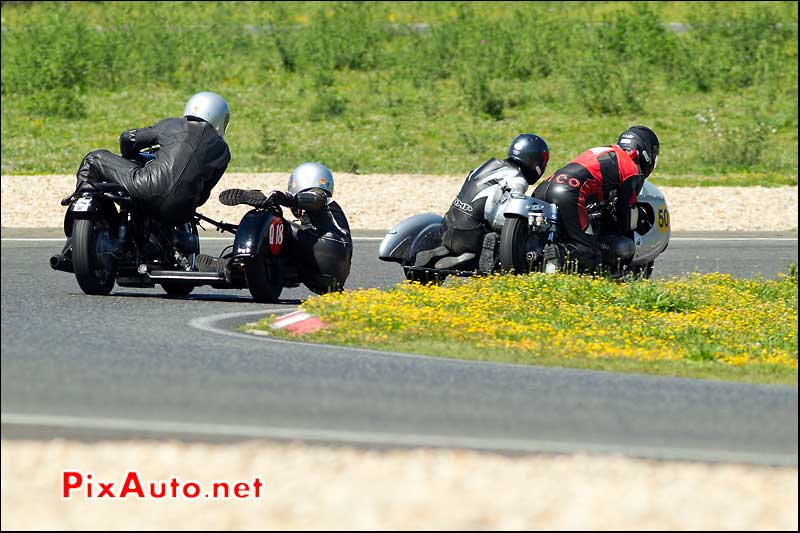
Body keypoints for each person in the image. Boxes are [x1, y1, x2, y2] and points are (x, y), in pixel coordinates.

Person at [57, 91, 232, 266]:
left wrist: (130, 154)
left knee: (93, 158)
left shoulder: (172, 125)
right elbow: (204, 193)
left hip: (145, 185)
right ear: (219, 117)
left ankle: (83, 230)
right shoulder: (223, 152)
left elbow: (129, 137)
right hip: (183, 209)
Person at [532, 125, 660, 273]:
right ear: (646, 152)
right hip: (571, 193)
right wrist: (624, 249)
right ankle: (558, 252)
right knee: (591, 254)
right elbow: (625, 213)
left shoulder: (608, 152)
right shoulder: (631, 168)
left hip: (545, 187)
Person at [414, 133, 550, 271]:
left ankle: (445, 251)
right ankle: (469, 257)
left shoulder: (488, 165)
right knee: (515, 230)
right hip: (472, 236)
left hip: (447, 226)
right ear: (534, 161)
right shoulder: (517, 179)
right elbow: (507, 217)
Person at [216, 162, 353, 294]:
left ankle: (261, 201)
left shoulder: (323, 198)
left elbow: (316, 199)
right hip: (328, 278)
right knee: (283, 254)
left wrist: (286, 198)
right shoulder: (326, 216)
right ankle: (231, 265)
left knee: (278, 223)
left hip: (330, 247)